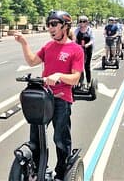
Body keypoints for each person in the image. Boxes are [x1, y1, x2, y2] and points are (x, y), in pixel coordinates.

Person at [14, 10, 84, 181]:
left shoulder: (75, 49)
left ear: (65, 26)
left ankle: (61, 173)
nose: (50, 28)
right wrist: (24, 43)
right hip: (43, 98)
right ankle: (38, 171)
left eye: (54, 24)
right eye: (49, 24)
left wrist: (59, 75)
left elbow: (75, 77)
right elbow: (32, 61)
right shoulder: (48, 46)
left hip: (61, 100)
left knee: (60, 139)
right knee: (36, 139)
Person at [74, 15, 94, 88]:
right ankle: (80, 82)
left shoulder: (89, 30)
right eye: (81, 21)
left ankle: (88, 83)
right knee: (79, 67)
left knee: (87, 66)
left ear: (87, 22)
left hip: (87, 49)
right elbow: (74, 39)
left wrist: (87, 44)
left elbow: (92, 40)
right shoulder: (77, 30)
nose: (82, 23)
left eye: (84, 21)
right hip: (79, 50)